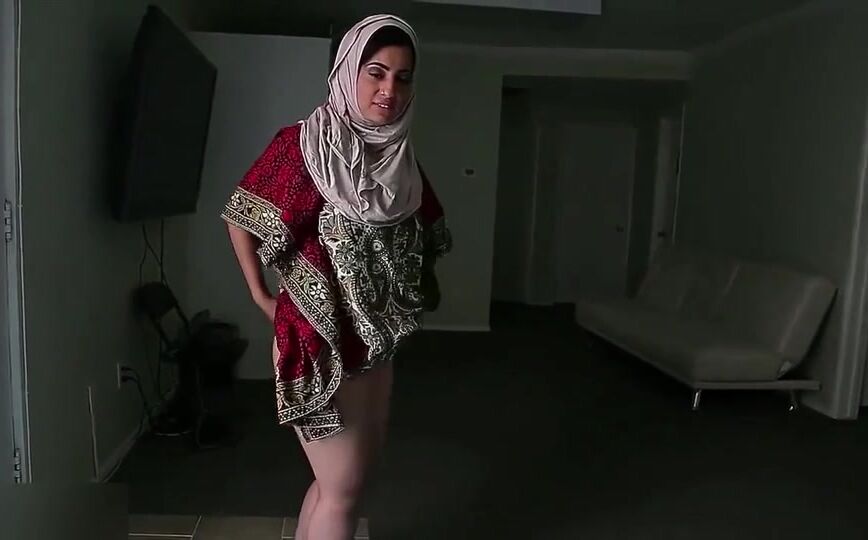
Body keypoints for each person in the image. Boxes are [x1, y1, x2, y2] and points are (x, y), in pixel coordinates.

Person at [221, 14, 451, 540]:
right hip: (317, 340)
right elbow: (241, 216)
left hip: (376, 342)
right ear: (349, 71)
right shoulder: (306, 145)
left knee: (345, 482)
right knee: (343, 487)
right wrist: (261, 295)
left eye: (402, 77)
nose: (389, 89)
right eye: (376, 72)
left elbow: (424, 229)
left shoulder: (400, 161)